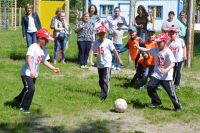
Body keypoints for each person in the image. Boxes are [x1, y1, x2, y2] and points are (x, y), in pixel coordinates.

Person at [13, 28, 60, 113]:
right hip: (27, 72)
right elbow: (29, 58)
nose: (47, 42)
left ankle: (17, 99)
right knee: (31, 89)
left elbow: (44, 61)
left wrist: (53, 68)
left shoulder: (43, 50)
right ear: (40, 38)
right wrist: (32, 70)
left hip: (34, 74)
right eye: (45, 40)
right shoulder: (33, 46)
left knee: (27, 88)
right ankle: (24, 108)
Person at [135, 32, 182, 112]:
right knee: (150, 87)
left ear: (165, 42)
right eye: (157, 42)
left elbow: (173, 63)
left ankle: (177, 107)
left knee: (171, 93)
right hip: (156, 74)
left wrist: (166, 70)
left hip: (166, 76)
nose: (158, 44)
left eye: (160, 42)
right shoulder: (156, 50)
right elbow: (147, 49)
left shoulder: (168, 52)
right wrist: (138, 47)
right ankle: (156, 101)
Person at [92, 26, 123, 100]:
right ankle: (103, 90)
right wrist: (95, 55)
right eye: (100, 34)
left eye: (103, 34)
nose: (101, 35)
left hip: (107, 63)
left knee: (106, 79)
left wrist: (119, 59)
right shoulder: (96, 43)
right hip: (100, 63)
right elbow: (93, 51)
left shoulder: (108, 42)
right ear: (98, 34)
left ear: (105, 34)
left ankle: (104, 96)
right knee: (101, 80)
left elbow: (114, 50)